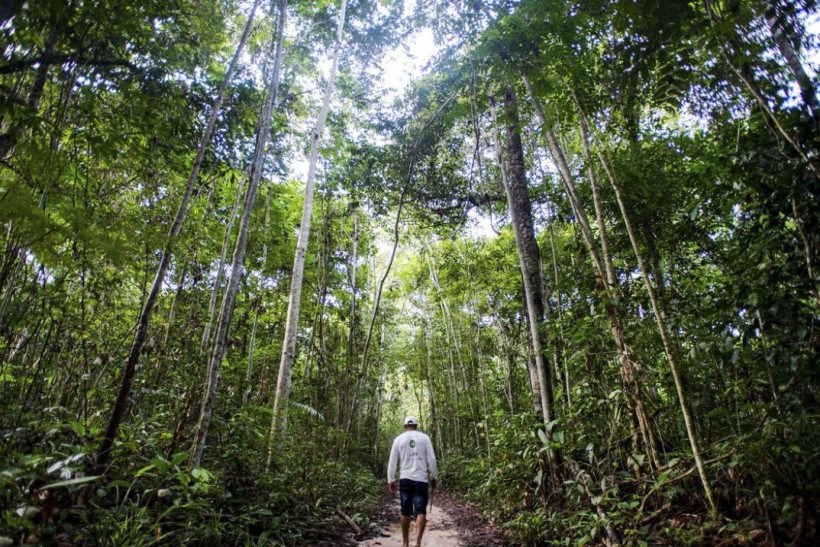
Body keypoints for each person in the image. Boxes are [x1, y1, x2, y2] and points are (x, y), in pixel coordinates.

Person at [387, 416, 438, 547]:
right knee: (420, 511)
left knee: (405, 512)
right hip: (421, 479)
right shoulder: (424, 438)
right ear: (416, 426)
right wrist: (434, 477)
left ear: (405, 426)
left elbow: (392, 461)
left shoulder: (398, 439)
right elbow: (431, 459)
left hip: (405, 479)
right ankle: (418, 543)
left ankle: (405, 543)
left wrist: (391, 479)